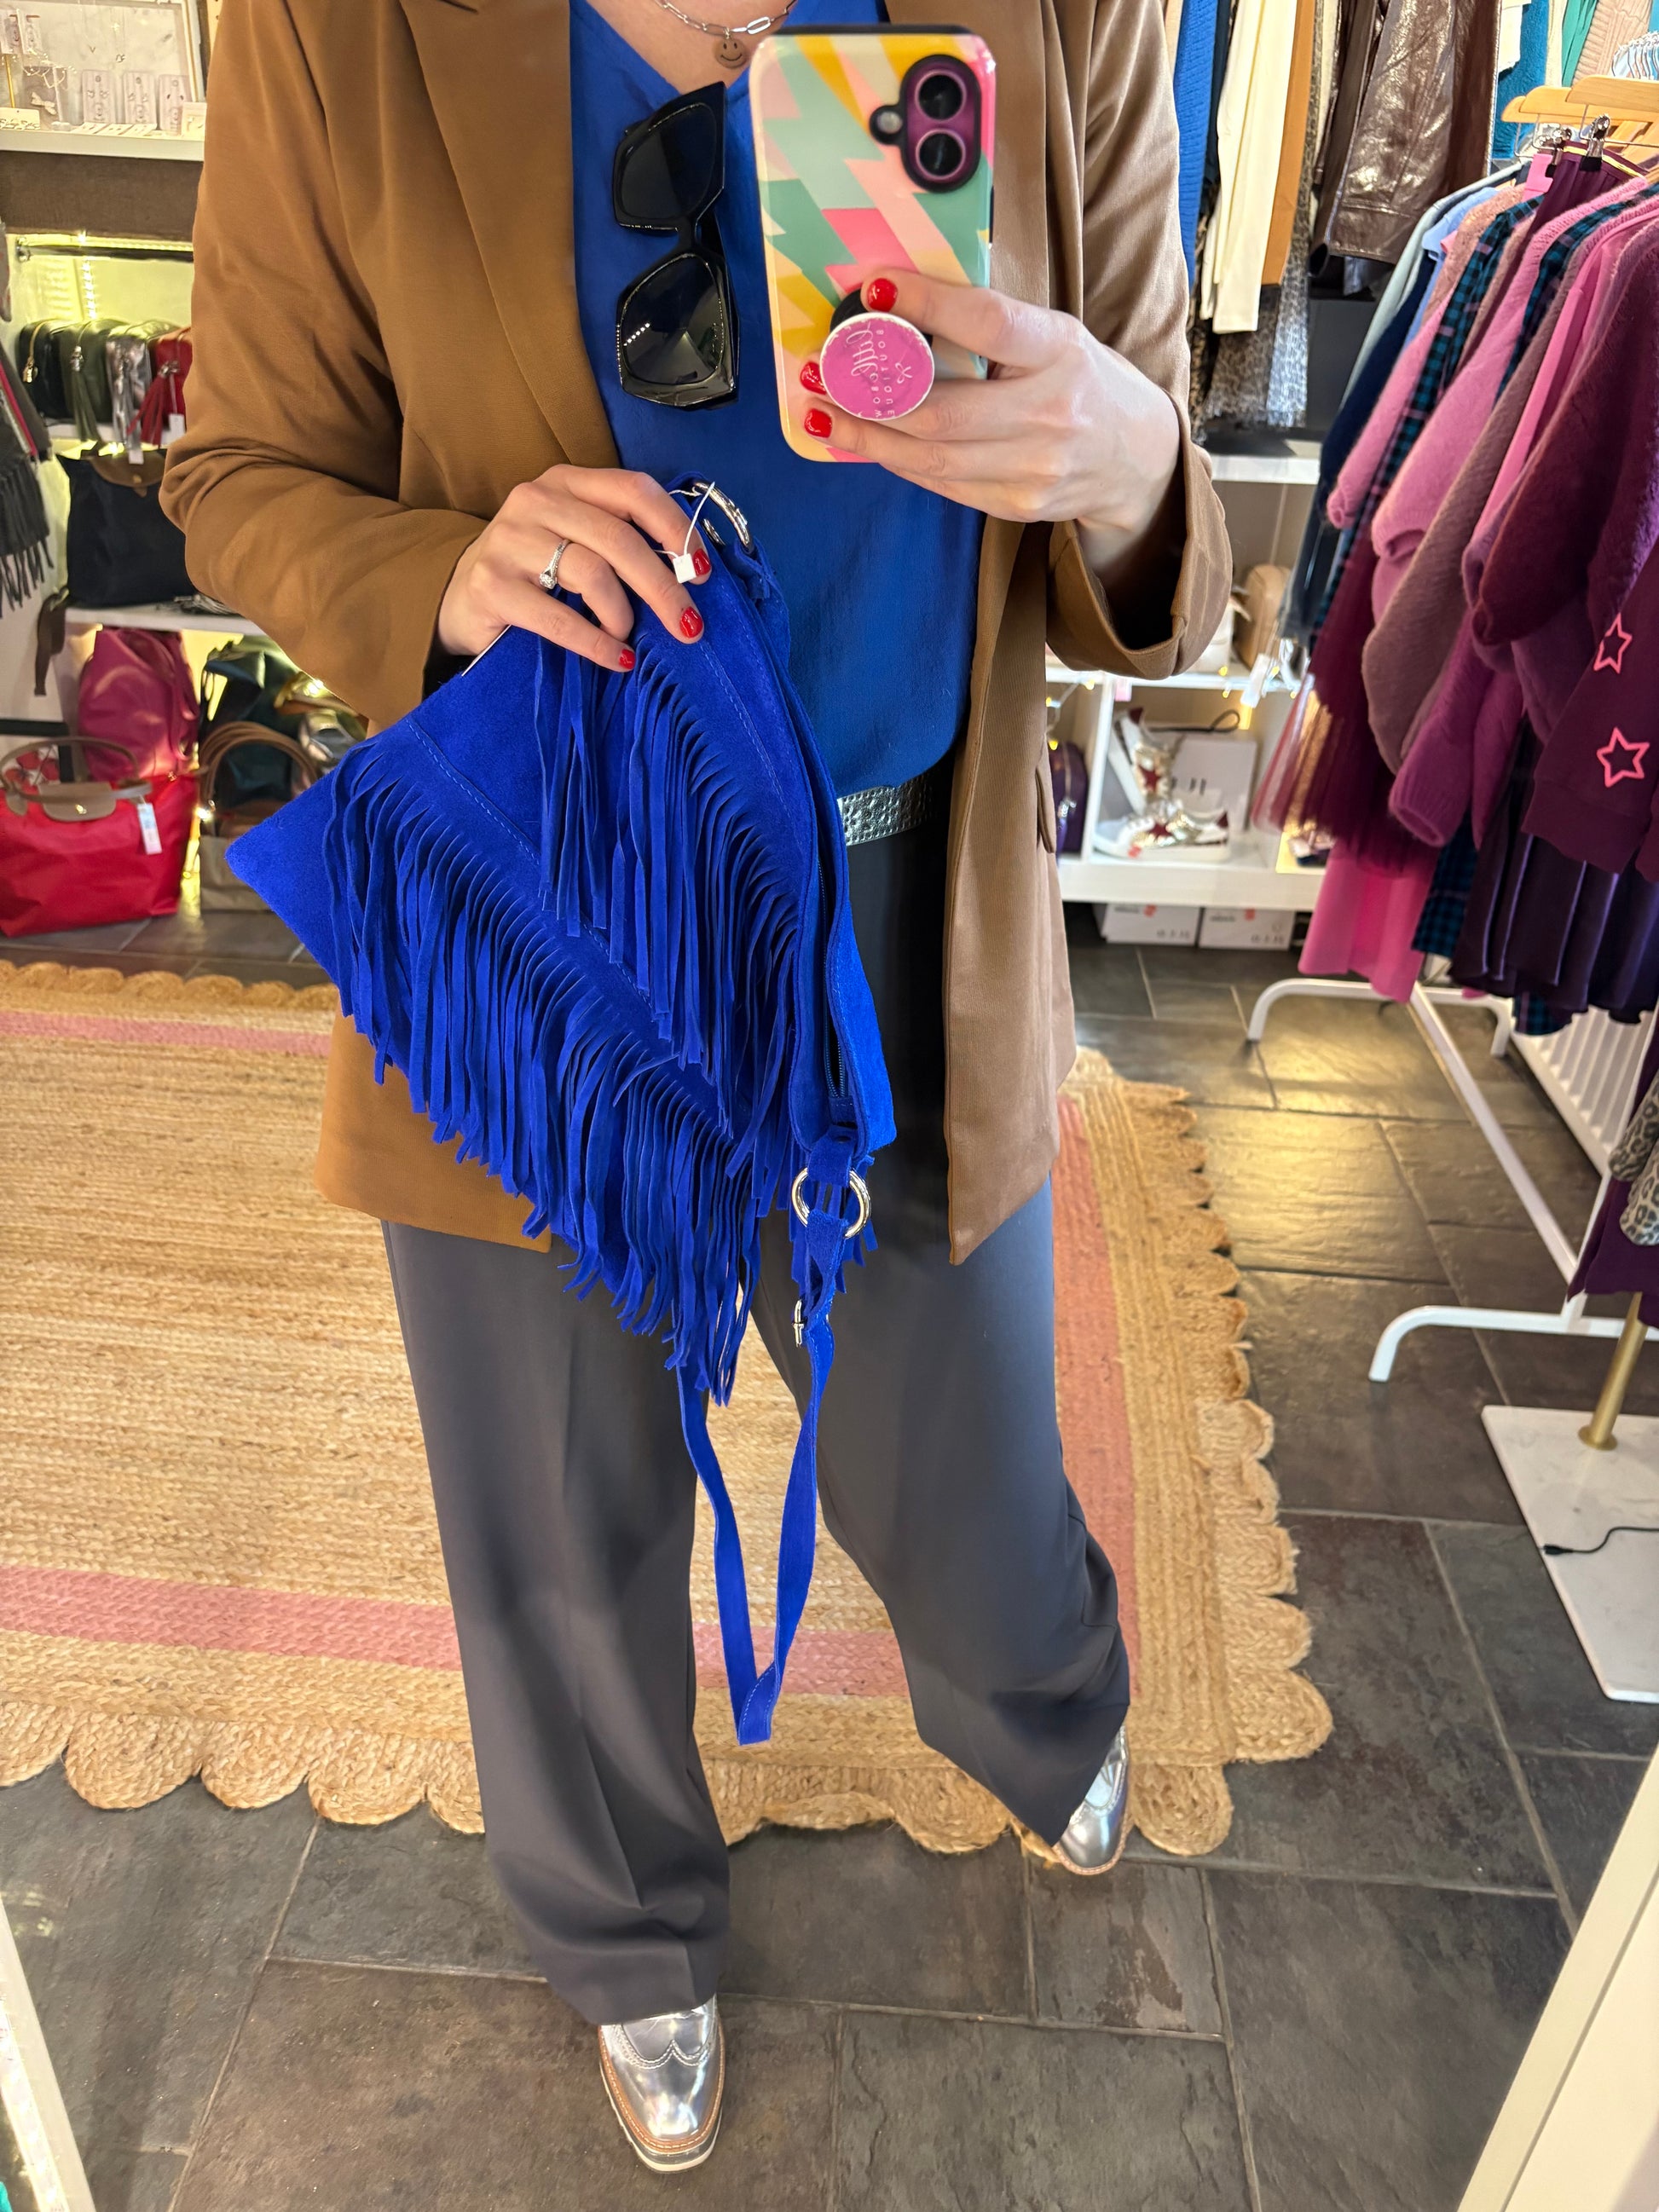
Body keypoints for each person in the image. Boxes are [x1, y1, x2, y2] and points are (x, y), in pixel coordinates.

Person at [165, 0, 1230, 2173]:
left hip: (906, 918)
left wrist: (1127, 460)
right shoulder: (329, 19)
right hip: (547, 910)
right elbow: (238, 470)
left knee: (960, 1470)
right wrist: (437, 573)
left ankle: (1042, 1706)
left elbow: (1156, 519)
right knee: (558, 1514)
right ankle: (625, 1931)